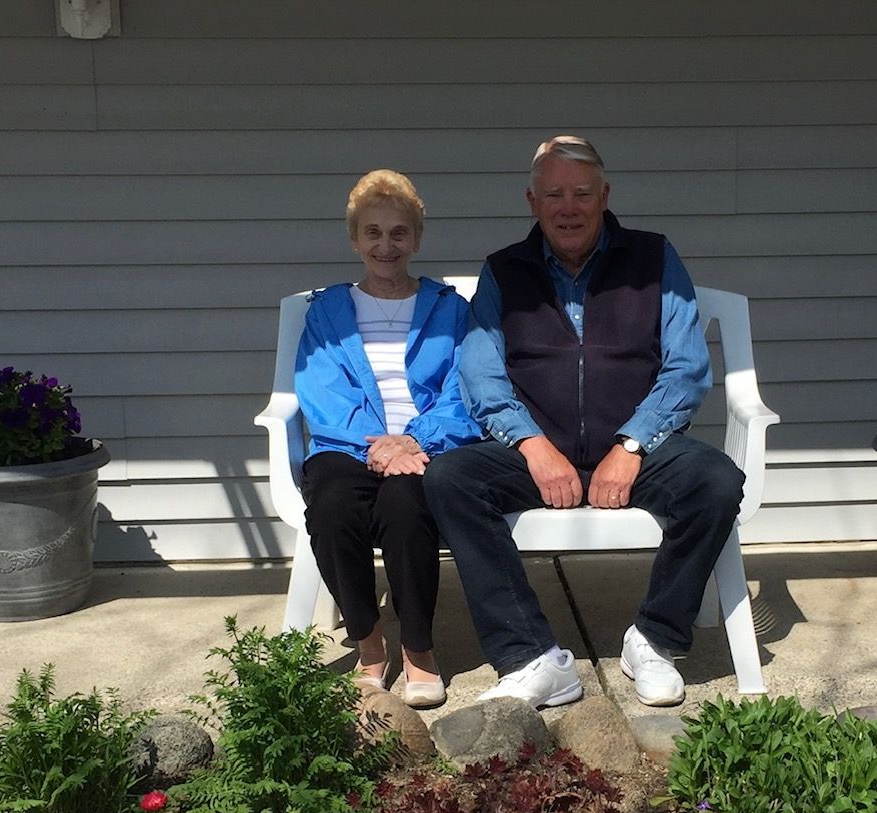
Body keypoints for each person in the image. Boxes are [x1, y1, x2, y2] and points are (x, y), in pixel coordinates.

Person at [423, 136, 745, 708]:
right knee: (450, 479)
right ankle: (532, 657)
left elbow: (687, 367)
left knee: (715, 481)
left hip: (637, 447)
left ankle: (653, 639)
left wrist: (633, 443)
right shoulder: (504, 270)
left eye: (581, 193)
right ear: (532, 200)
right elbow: (481, 373)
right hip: (537, 448)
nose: (567, 207)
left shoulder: (653, 258)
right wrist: (531, 445)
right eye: (553, 194)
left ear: (605, 196)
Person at [295, 169, 480, 708]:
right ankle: (370, 644)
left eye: (398, 233)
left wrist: (415, 440)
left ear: (416, 239)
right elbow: (319, 387)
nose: (385, 245)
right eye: (372, 232)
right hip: (347, 445)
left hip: (427, 446)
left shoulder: (451, 310)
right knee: (331, 504)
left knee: (406, 508)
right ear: (355, 239)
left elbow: (465, 388)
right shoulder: (328, 311)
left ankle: (419, 649)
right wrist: (377, 443)